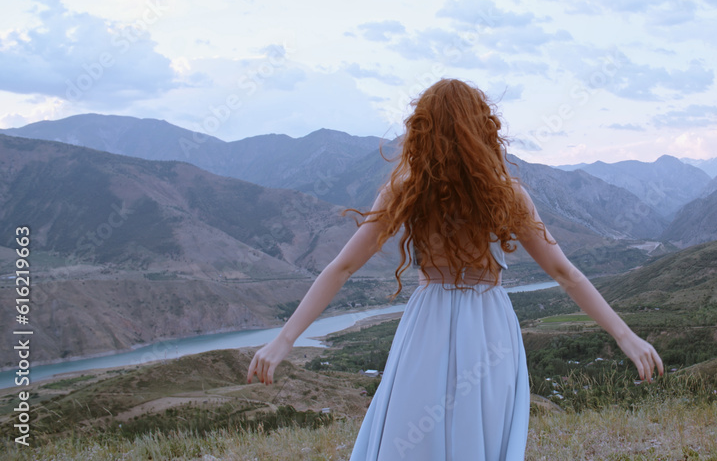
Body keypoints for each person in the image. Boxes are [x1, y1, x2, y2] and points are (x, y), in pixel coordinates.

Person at [246, 78, 664, 460]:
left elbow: (341, 268)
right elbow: (565, 273)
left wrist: (283, 341)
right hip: (489, 326)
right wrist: (626, 337)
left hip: (427, 322)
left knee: (414, 438)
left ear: (422, 132)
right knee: (480, 438)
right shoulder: (506, 194)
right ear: (482, 128)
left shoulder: (405, 189)